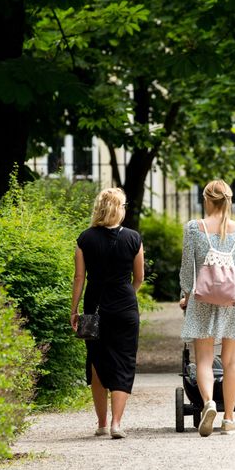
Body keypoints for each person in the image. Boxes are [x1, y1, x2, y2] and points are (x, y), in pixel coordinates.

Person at [179, 180, 235, 437]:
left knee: (203, 360)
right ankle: (228, 420)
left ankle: (208, 404)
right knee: (230, 362)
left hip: (202, 298)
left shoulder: (194, 229)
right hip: (232, 300)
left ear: (206, 199)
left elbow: (186, 269)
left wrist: (185, 294)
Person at [71, 188, 145, 439]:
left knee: (97, 362)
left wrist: (75, 309)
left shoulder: (85, 238)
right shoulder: (134, 238)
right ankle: (116, 424)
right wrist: (127, 294)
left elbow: (79, 277)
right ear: (119, 209)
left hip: (94, 308)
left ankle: (101, 423)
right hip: (125, 307)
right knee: (124, 361)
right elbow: (139, 278)